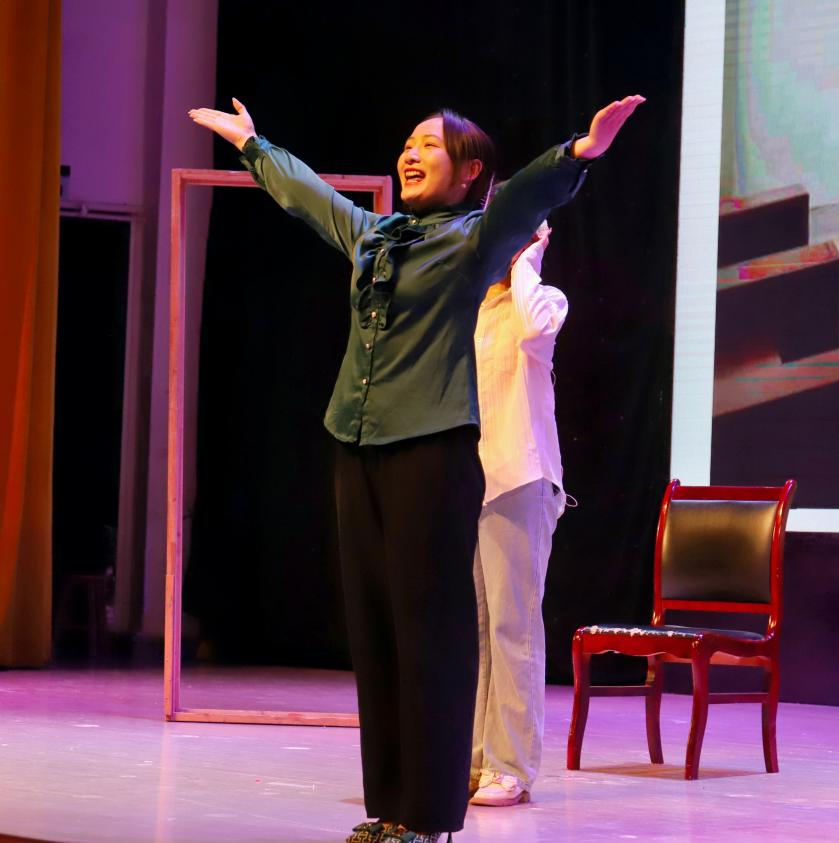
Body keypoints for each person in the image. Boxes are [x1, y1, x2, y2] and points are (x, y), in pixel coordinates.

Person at [188, 94, 643, 843]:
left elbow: (522, 199)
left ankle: (427, 817)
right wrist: (254, 146)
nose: (410, 153)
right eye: (408, 142)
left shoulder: (473, 240)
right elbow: (311, 199)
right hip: (356, 442)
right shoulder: (376, 236)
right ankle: (390, 807)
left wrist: (578, 152)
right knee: (377, 634)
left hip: (431, 449)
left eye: (430, 145)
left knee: (430, 634)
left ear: (468, 173)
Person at [467, 220, 567, 807]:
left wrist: (529, 260)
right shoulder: (472, 310)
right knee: (477, 631)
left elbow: (533, 332)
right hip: (470, 485)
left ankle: (512, 766)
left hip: (520, 480)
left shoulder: (542, 301)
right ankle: (476, 758)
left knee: (514, 627)